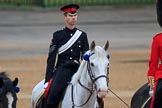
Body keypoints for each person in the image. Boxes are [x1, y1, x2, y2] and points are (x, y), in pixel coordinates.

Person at [44, 4, 89, 108]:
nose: (73, 17)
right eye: (70, 15)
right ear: (65, 17)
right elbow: (51, 58)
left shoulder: (82, 35)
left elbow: (85, 57)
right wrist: (47, 79)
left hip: (77, 69)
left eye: (75, 15)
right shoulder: (58, 35)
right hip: (62, 69)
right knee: (53, 95)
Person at [147, 0, 162, 108]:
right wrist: (152, 86)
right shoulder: (158, 40)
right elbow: (153, 66)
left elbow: (153, 66)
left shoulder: (158, 39)